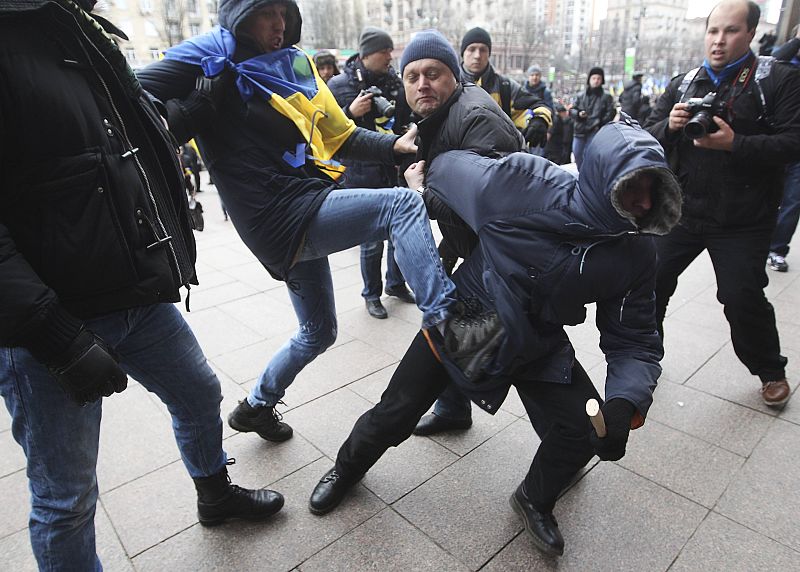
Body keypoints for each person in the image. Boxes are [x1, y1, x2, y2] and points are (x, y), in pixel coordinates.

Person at [308, 119, 682, 558]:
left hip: (540, 337)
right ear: (601, 176)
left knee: (582, 431)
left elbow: (634, 341)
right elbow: (449, 166)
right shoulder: (521, 184)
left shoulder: (637, 254)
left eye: (652, 188)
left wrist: (625, 403)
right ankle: (346, 468)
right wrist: (421, 181)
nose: (641, 201)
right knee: (396, 412)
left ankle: (534, 498)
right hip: (473, 315)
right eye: (630, 185)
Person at [0, 0, 287, 568]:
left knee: (200, 394)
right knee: (67, 498)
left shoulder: (76, 30)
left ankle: (215, 495)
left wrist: (194, 111)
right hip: (51, 325)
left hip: (135, 296)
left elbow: (114, 153)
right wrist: (51, 330)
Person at [137, 1, 501, 442]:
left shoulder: (291, 64)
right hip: (277, 215)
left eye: (283, 12)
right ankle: (456, 330)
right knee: (401, 205)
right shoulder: (209, 54)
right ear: (239, 14)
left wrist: (394, 147)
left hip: (302, 202)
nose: (279, 23)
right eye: (266, 13)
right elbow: (131, 106)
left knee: (318, 332)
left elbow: (340, 136)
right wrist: (196, 107)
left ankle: (256, 405)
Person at [643, 0, 800, 407]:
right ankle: (644, 360)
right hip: (682, 210)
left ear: (751, 33)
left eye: (730, 31)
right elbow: (646, 136)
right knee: (648, 283)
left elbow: (792, 143)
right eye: (713, 31)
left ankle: (770, 370)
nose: (719, 40)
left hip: (743, 218)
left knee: (741, 295)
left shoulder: (777, 80)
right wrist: (670, 126)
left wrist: (736, 143)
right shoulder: (684, 83)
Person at [327, 26, 416, 319]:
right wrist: (350, 112)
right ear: (367, 55)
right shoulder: (340, 85)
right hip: (363, 174)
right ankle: (372, 294)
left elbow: (404, 117)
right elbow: (326, 129)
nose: (390, 56)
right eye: (385, 51)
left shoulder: (394, 81)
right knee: (371, 240)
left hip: (395, 169)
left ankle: (395, 283)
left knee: (398, 235)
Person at [459, 27, 552, 154]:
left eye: (483, 50)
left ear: (489, 53)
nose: (477, 55)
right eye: (472, 49)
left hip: (497, 161)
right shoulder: (449, 85)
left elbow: (539, 105)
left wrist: (539, 120)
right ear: (463, 53)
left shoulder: (505, 87)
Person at [766, 26, 800, 272]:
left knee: (793, 200)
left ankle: (777, 249)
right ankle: (760, 240)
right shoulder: (786, 62)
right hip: (774, 140)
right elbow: (772, 59)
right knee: (768, 195)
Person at [569, 67, 615, 169]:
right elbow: (572, 110)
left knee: (590, 155)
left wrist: (600, 123)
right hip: (580, 130)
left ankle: (588, 175)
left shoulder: (606, 97)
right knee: (577, 154)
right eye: (594, 78)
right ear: (589, 79)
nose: (596, 81)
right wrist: (579, 114)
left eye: (598, 78)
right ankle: (582, 173)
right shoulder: (581, 95)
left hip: (595, 131)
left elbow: (611, 112)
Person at [520, 64, 554, 155]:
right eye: (532, 75)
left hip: (539, 128)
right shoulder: (521, 90)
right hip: (523, 128)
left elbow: (551, 111)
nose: (534, 77)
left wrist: (549, 130)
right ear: (528, 76)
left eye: (537, 75)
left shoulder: (545, 92)